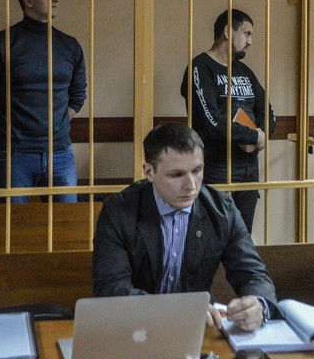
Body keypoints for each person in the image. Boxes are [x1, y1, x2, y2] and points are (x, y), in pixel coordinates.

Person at [93, 122, 279, 332]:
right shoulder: (118, 211)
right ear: (149, 171)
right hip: (136, 329)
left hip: (200, 328)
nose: (191, 185)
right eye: (177, 175)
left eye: (197, 170)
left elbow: (253, 274)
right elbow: (111, 289)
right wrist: (178, 311)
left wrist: (259, 306)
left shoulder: (222, 210)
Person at [0, 0, 86, 203]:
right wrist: (8, 131)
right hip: (14, 154)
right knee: (11, 224)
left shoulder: (70, 46)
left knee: (66, 222)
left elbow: (78, 96)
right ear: (28, 0)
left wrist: (57, 124)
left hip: (60, 152)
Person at [180, 8, 275, 233]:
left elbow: (267, 110)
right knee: (214, 234)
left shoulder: (245, 72)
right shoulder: (200, 68)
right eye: (247, 33)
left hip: (249, 168)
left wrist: (260, 135)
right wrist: (251, 136)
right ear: (227, 31)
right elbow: (209, 121)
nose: (250, 41)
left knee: (243, 235)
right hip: (217, 167)